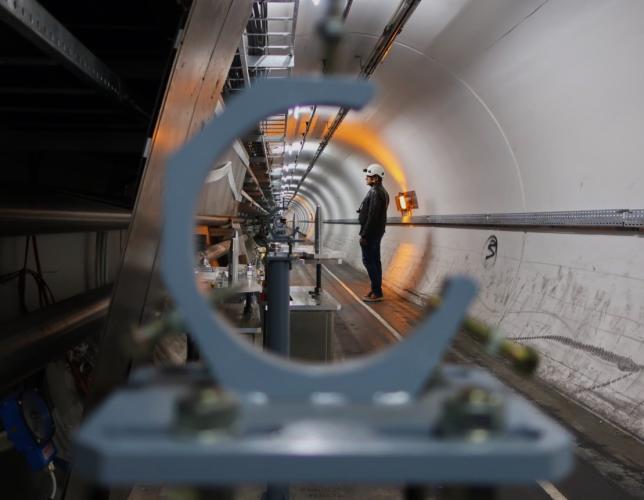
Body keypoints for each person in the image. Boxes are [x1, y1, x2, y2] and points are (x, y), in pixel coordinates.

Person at [358, 163, 389, 302]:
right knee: (375, 261)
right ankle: (376, 289)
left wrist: (364, 234)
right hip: (376, 232)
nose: (366, 178)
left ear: (376, 178)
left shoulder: (376, 192)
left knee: (369, 261)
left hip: (371, 234)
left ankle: (377, 291)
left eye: (368, 176)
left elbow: (373, 215)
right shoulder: (380, 191)